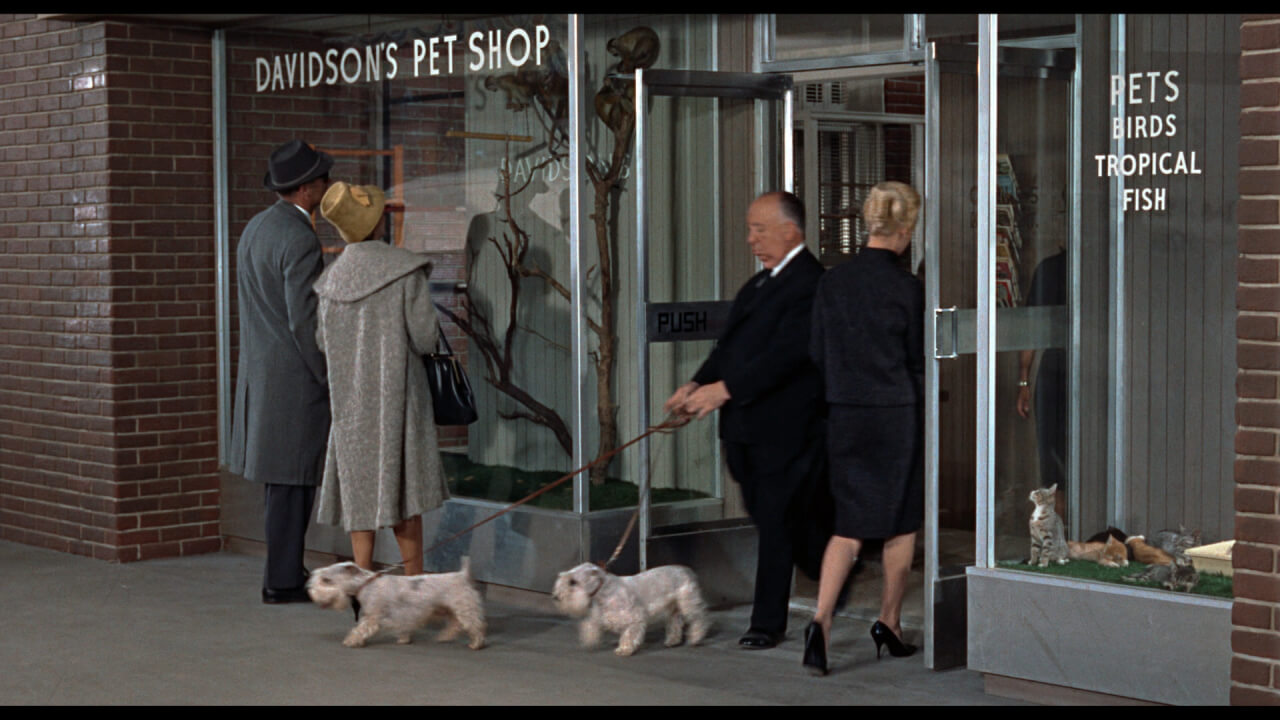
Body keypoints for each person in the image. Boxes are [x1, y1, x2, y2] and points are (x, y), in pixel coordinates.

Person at [663, 191, 829, 651]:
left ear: (791, 231)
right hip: (745, 431)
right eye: (749, 229)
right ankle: (827, 559)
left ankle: (767, 621)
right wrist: (695, 386)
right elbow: (728, 351)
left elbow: (786, 356)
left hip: (787, 430)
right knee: (774, 517)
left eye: (759, 228)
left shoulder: (813, 284)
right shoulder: (759, 285)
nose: (750, 238)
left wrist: (725, 390)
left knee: (776, 522)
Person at [803, 181, 924, 676]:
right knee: (900, 522)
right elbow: (918, 358)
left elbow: (815, 351)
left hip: (845, 413)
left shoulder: (832, 282)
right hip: (894, 415)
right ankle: (889, 623)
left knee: (849, 527)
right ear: (905, 229)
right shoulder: (907, 289)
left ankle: (820, 622)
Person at [313, 182, 448, 577]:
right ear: (377, 223)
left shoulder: (330, 283)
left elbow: (323, 341)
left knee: (360, 501)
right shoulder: (405, 270)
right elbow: (425, 339)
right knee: (405, 498)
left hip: (351, 408)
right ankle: (412, 589)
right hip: (399, 402)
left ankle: (362, 589)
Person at [229, 139, 334, 604]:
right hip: (294, 378)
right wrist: (327, 375)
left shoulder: (256, 227)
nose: (327, 185)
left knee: (282, 484)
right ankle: (284, 579)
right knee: (293, 481)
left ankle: (284, 568)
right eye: (322, 179)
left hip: (261, 372)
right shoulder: (299, 237)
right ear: (306, 189)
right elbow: (304, 318)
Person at [1016, 246, 1068, 523]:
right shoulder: (1104, 266)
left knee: (1054, 471)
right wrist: (1024, 381)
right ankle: (1065, 540)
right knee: (1059, 469)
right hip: (1076, 371)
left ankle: (1062, 540)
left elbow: (1031, 329)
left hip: (1056, 371)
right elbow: (1031, 328)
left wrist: (1024, 381)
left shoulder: (1050, 268)